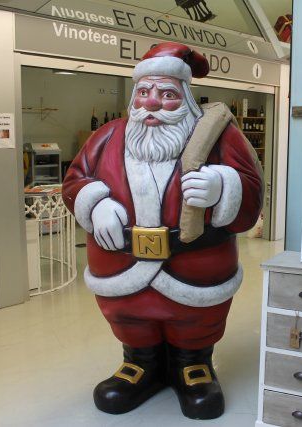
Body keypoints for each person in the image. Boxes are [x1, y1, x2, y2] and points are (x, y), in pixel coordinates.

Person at [62, 42, 263, 420]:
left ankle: (193, 365)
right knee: (130, 318)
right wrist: (95, 202)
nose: (152, 103)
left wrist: (223, 186)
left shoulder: (219, 136)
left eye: (167, 94)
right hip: (121, 267)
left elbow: (252, 191)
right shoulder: (107, 137)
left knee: (195, 320)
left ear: (186, 98)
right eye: (144, 92)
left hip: (195, 266)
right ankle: (139, 363)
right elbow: (75, 180)